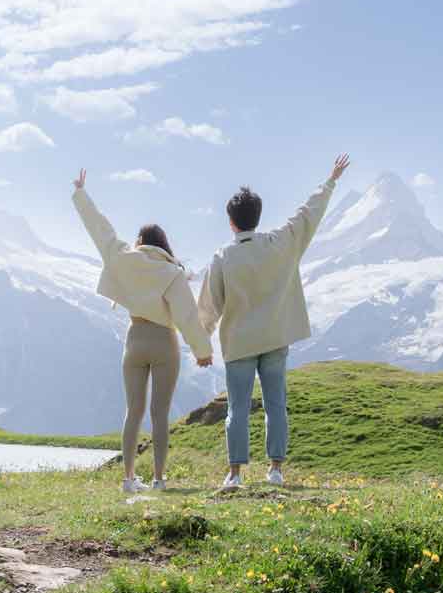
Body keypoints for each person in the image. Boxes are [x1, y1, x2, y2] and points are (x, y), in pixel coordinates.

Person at [198, 154, 351, 491]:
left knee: (237, 410)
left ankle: (235, 474)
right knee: (275, 405)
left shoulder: (223, 257)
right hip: (274, 338)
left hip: (238, 344)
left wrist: (200, 344)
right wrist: (330, 181)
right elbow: (307, 215)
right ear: (258, 216)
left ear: (231, 222)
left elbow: (210, 305)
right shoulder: (280, 243)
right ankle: (276, 469)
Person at [72, 170, 214, 492]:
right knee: (159, 413)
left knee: (133, 411)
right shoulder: (172, 272)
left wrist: (81, 194)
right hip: (164, 341)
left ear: (139, 242)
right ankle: (159, 480)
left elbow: (101, 229)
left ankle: (127, 479)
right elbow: (188, 316)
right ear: (164, 245)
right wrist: (203, 351)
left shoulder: (123, 257)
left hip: (134, 340)